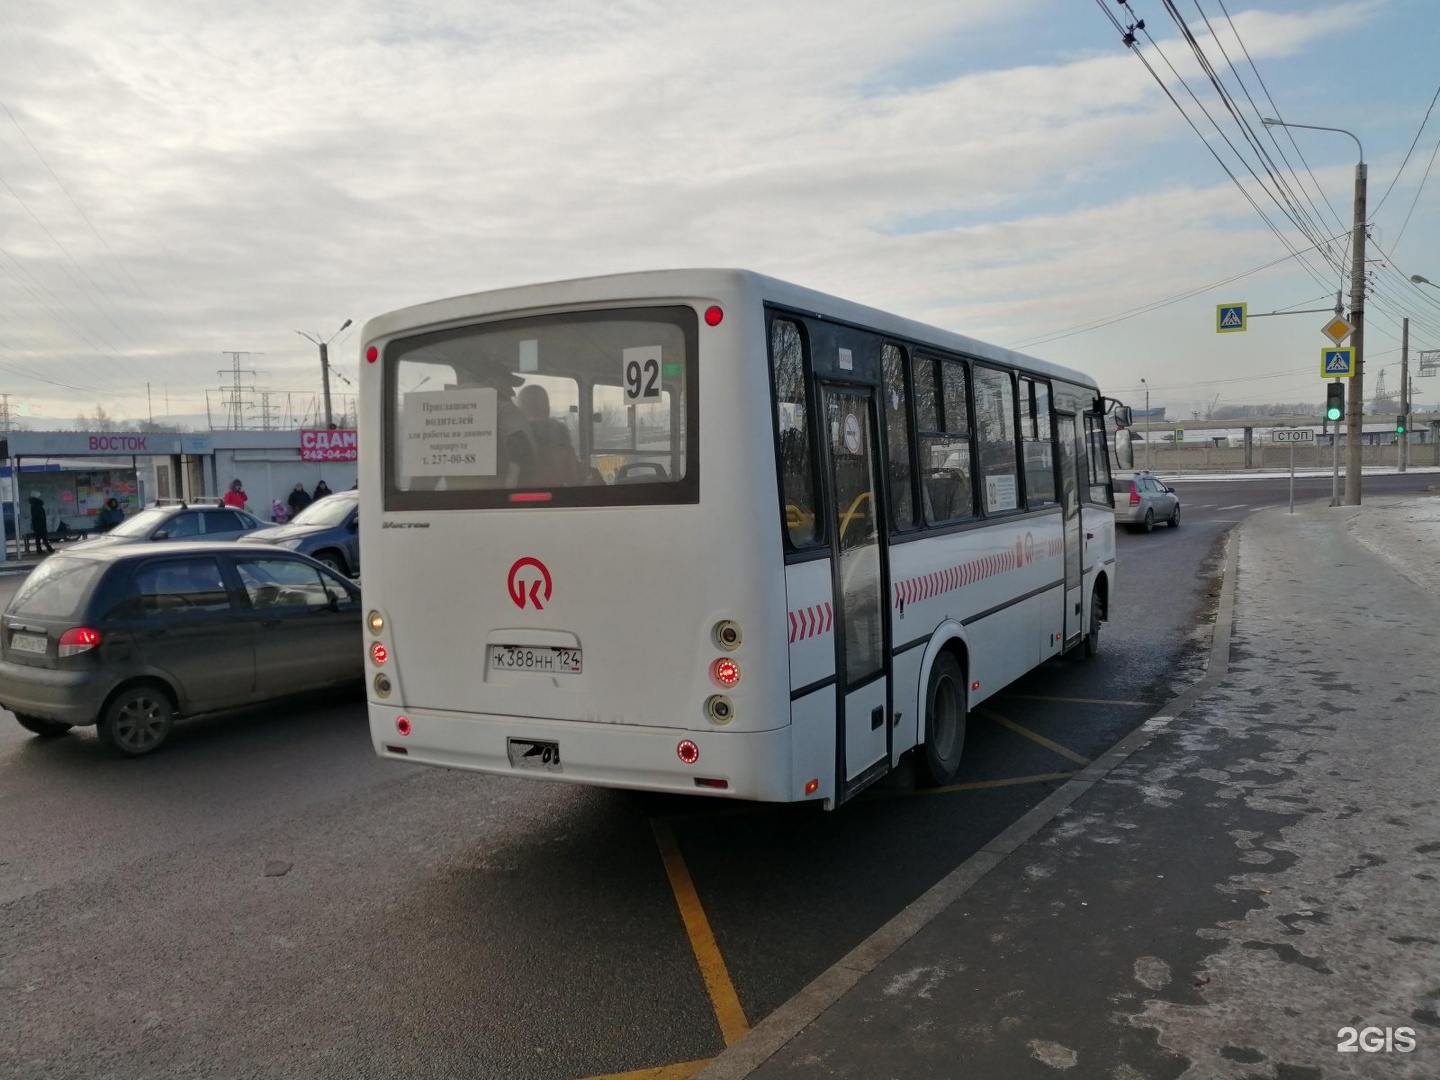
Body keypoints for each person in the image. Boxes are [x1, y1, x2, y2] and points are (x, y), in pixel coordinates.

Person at [518, 384, 583, 486]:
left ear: (521, 409)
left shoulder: (511, 435)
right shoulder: (561, 436)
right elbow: (574, 478)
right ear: (547, 408)